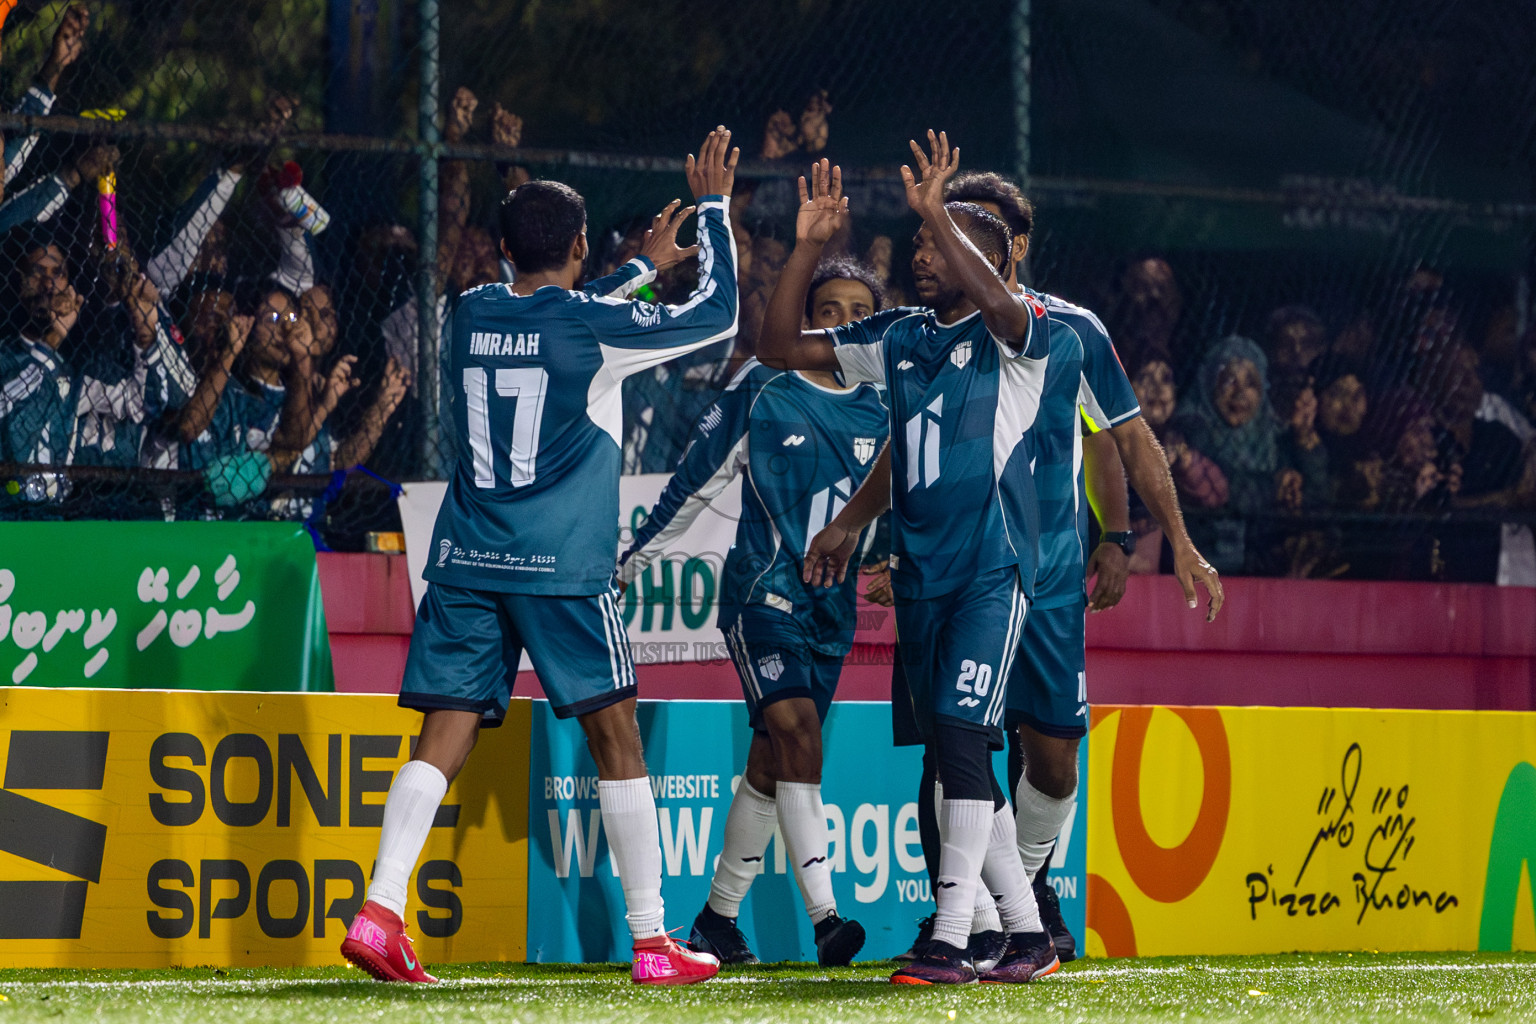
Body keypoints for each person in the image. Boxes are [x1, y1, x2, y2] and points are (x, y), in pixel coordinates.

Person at [339, 127, 740, 986]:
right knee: (617, 737)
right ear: (581, 245)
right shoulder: (593, 328)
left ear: (502, 247)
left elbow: (552, 307)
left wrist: (639, 268)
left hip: (468, 559)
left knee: (441, 736)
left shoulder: (470, 310)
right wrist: (712, 212)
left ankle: (380, 910)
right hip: (561, 566)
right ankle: (652, 940)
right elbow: (719, 316)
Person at [758, 136, 1063, 985]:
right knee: (954, 754)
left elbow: (1000, 303)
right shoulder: (896, 337)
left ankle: (951, 940)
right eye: (922, 240)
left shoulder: (1020, 334)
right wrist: (806, 248)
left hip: (990, 573)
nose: (923, 254)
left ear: (988, 263)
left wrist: (940, 210)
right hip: (920, 577)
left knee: (962, 741)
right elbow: (778, 348)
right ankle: (1029, 936)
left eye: (941, 244)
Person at [619, 256, 887, 969]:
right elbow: (694, 481)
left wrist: (894, 560)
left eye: (860, 313)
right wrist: (630, 562)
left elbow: (905, 500)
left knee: (772, 761)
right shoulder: (765, 384)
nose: (844, 324)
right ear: (807, 321)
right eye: (828, 311)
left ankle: (716, 920)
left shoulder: (889, 401)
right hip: (760, 596)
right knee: (798, 735)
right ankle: (827, 920)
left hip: (833, 611)